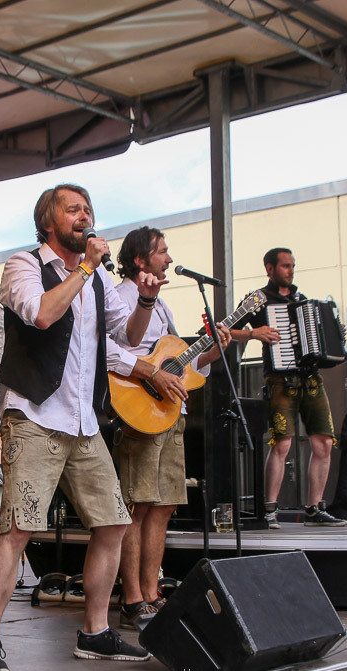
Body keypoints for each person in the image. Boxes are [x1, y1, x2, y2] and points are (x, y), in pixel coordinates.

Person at [0, 183, 160, 671]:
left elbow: (130, 338)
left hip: (83, 421)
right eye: (73, 209)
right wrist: (87, 269)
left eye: (88, 208)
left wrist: (144, 298)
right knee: (17, 529)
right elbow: (41, 313)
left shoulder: (93, 281)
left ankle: (95, 632)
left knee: (114, 523)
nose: (84, 215)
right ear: (48, 222)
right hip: (33, 416)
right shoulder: (24, 264)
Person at [107, 227, 231, 630]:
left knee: (161, 508)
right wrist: (151, 376)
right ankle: (131, 599)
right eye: (162, 251)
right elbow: (113, 352)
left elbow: (186, 366)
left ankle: (151, 593)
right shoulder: (122, 295)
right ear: (141, 259)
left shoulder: (162, 307)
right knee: (136, 507)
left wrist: (214, 348)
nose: (168, 257)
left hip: (171, 414)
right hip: (139, 413)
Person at [230, 248, 346, 528]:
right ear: (269, 268)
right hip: (280, 380)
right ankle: (270, 509)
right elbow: (224, 329)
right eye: (284, 266)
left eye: (292, 265)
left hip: (310, 378)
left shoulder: (302, 301)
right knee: (282, 444)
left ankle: (315, 508)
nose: (290, 270)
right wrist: (253, 333)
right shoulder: (257, 300)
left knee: (324, 443)